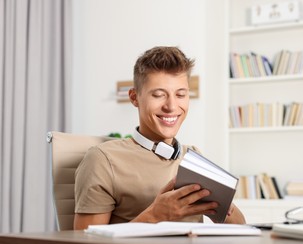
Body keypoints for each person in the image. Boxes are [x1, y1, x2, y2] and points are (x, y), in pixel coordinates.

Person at [74, 46, 245, 230]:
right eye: (158, 95)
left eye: (180, 94)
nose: (172, 106)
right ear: (134, 97)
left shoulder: (193, 156)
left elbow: (241, 227)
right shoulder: (103, 160)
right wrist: (155, 216)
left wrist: (223, 203)